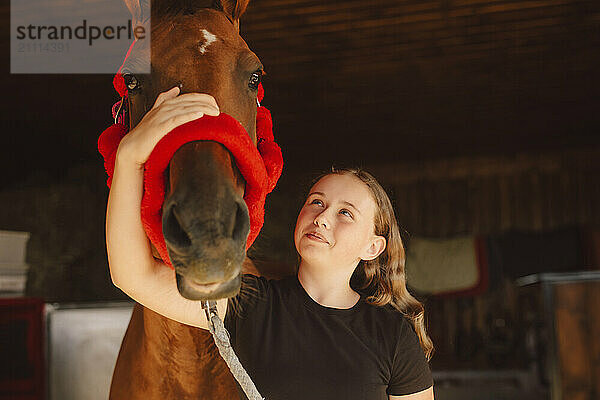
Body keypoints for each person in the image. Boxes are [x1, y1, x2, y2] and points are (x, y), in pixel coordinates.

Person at [106, 87, 435, 400]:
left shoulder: (393, 337)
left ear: (373, 247)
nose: (321, 217)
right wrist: (129, 158)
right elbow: (133, 276)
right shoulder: (251, 307)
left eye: (345, 213)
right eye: (316, 202)